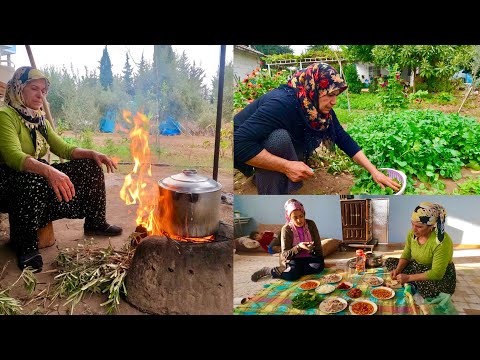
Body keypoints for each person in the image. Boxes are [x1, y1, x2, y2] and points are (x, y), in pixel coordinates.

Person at [0, 66, 123, 272]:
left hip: (34, 175)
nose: (41, 95)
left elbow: (63, 148)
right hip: (8, 181)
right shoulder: (5, 116)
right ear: (19, 88)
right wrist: (49, 171)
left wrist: (92, 153)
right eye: (34, 89)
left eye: (43, 90)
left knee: (89, 167)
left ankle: (95, 222)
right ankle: (27, 248)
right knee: (34, 181)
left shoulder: (38, 117)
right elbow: (13, 156)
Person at [234, 62, 399, 195]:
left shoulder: (314, 106)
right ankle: (267, 185)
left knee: (298, 140)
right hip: (244, 147)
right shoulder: (282, 104)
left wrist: (374, 171)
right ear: (314, 89)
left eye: (336, 95)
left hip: (258, 141)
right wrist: (286, 166)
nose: (334, 101)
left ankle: (274, 173)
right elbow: (238, 143)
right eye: (329, 94)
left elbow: (342, 137)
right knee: (279, 139)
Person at [385, 202, 456, 299]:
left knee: (430, 292)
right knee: (390, 261)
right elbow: (406, 254)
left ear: (431, 226)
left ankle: (412, 281)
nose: (414, 229)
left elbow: (437, 273)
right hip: (418, 266)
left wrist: (409, 278)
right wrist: (398, 270)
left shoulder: (441, 242)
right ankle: (413, 281)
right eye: (412, 224)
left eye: (419, 227)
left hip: (438, 274)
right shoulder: (412, 234)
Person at [251, 198, 325, 282]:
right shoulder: (286, 229)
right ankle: (269, 271)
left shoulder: (311, 224)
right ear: (289, 217)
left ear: (304, 214)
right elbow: (286, 254)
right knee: (292, 275)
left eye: (301, 216)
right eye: (295, 217)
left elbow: (318, 244)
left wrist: (320, 261)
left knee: (319, 267)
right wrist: (299, 247)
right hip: (293, 259)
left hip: (308, 256)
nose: (299, 220)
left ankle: (297, 270)